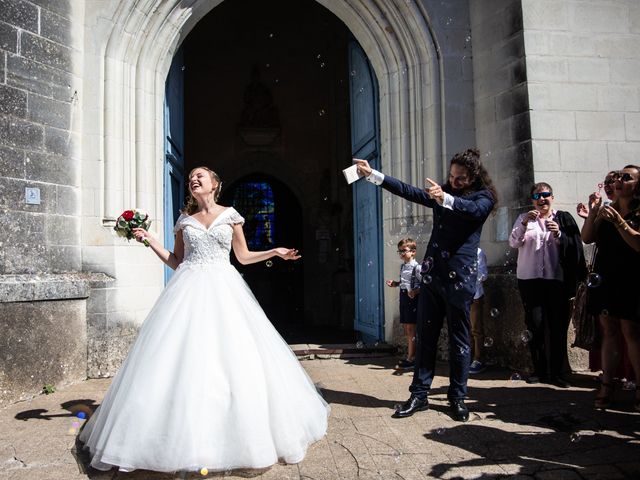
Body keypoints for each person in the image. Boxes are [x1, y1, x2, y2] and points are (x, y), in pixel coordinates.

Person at [79, 166, 330, 473]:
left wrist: (274, 251)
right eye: (190, 178)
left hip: (225, 289)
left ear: (214, 184)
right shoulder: (184, 221)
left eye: (200, 176)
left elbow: (243, 257)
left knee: (235, 359)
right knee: (183, 359)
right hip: (189, 289)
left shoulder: (232, 215)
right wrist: (150, 240)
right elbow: (176, 261)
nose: (193, 180)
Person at [355, 148, 497, 422]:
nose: (453, 181)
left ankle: (457, 397)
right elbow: (409, 191)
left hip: (460, 279)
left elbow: (472, 209)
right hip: (432, 277)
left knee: (459, 340)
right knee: (425, 337)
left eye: (460, 178)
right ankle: (419, 395)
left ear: (473, 177)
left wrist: (447, 198)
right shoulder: (442, 192)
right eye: (452, 176)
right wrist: (373, 174)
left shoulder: (484, 198)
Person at [509, 182, 586, 388]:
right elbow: (514, 242)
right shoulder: (524, 219)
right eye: (537, 196)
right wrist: (524, 223)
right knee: (535, 324)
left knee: (557, 325)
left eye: (545, 195)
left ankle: (558, 372)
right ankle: (539, 370)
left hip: (555, 279)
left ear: (552, 197)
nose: (542, 199)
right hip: (529, 279)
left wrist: (559, 235)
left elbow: (574, 246)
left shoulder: (562, 218)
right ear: (532, 200)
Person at [581, 165, 640, 411]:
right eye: (617, 177)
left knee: (631, 331)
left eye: (626, 177)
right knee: (609, 329)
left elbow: (638, 243)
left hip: (631, 277)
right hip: (606, 276)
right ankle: (607, 382)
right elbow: (587, 237)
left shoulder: (636, 212)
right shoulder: (608, 210)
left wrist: (620, 223)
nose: (618, 181)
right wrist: (594, 213)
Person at [386, 238, 421, 370]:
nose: (401, 253)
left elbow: (426, 285)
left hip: (413, 301)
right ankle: (410, 355)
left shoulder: (417, 268)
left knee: (412, 330)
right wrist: (395, 283)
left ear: (413, 252)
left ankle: (412, 358)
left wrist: (416, 292)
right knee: (407, 330)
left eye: (404, 251)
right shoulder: (403, 267)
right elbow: (404, 283)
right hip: (404, 299)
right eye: (399, 251)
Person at [469, 247, 488, 375]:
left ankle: (478, 359)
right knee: (464, 329)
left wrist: (469, 274)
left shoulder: (478, 252)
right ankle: (466, 357)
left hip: (474, 295)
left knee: (476, 329)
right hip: (460, 296)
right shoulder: (457, 251)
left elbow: (483, 275)